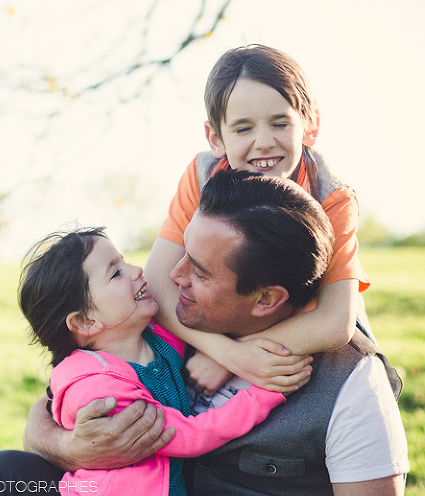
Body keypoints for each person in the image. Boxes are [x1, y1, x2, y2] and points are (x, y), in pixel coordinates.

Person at [0, 171, 408, 496]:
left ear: (265, 299)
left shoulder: (351, 386)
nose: (171, 277)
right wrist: (68, 446)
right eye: (183, 254)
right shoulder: (176, 323)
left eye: (199, 269)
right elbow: (54, 402)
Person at [146, 44, 375, 398]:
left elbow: (334, 322)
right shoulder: (203, 175)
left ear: (310, 126)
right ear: (216, 138)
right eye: (243, 129)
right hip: (218, 324)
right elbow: (157, 283)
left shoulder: (331, 195)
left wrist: (232, 358)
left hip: (297, 329)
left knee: (355, 364)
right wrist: (226, 353)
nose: (264, 142)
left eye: (280, 123)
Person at [12, 226, 292, 496]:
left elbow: (203, 337)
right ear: (86, 322)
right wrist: (264, 393)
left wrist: (230, 353)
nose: (136, 271)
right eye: (116, 273)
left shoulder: (155, 339)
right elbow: (190, 436)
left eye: (125, 261)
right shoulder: (99, 391)